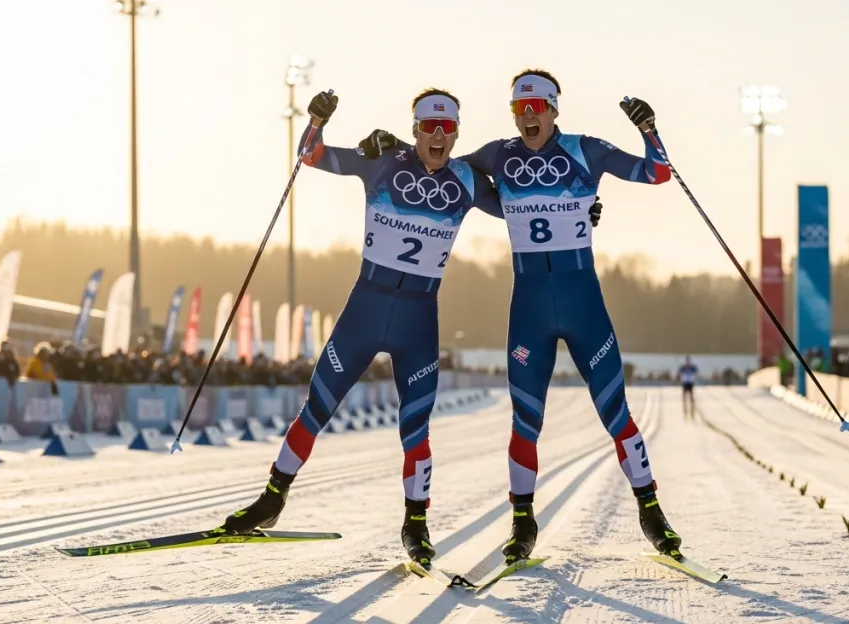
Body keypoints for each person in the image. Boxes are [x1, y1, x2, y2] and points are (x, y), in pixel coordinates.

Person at [216, 88, 604, 569]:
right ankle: (272, 499)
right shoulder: (382, 161)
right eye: (428, 126)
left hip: (418, 321)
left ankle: (415, 526)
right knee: (316, 407)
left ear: (457, 133)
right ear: (415, 128)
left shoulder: (464, 177)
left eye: (447, 128)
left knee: (415, 429)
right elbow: (310, 156)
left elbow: (524, 203)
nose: (438, 136)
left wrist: (583, 208)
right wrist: (317, 120)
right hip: (365, 310)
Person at [362, 69, 681, 563]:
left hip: (583, 304)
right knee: (525, 422)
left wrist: (649, 129)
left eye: (537, 108)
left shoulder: (585, 150)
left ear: (554, 109)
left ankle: (651, 510)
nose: (529, 118)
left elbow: (658, 173)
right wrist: (388, 148)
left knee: (615, 412)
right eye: (520, 110)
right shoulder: (497, 155)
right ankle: (522, 523)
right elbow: (438, 166)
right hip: (529, 306)